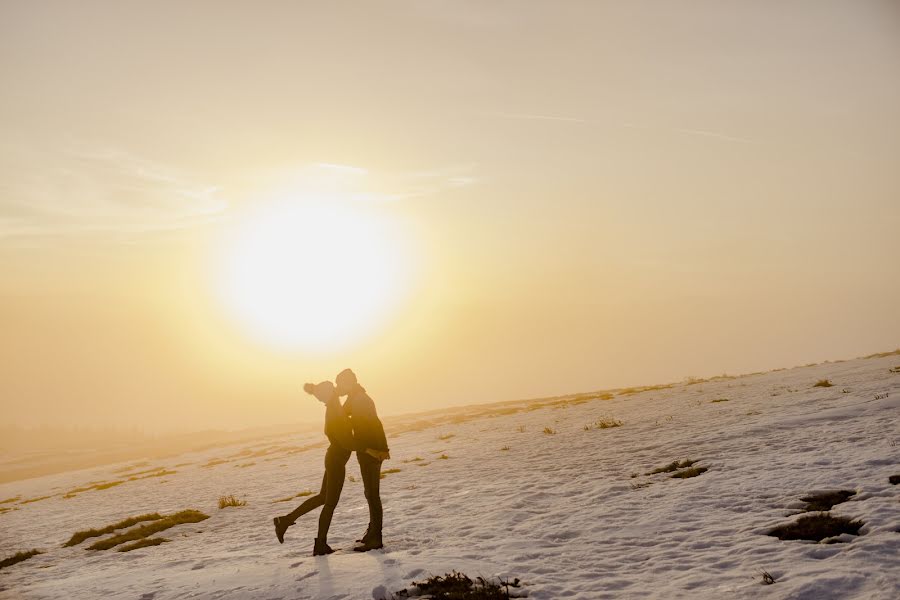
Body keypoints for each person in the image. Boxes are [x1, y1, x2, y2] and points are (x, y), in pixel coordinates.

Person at [272, 380, 376, 555]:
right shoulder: (334, 410)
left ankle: (285, 520)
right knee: (330, 503)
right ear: (331, 393)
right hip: (336, 461)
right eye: (334, 390)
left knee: (322, 498)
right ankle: (320, 544)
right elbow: (347, 442)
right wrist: (368, 448)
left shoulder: (335, 407)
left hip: (333, 459)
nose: (337, 389)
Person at [335, 368, 390, 552]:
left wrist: (376, 450)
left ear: (349, 383)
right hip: (372, 450)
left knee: (372, 494)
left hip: (370, 452)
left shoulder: (359, 400)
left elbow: (370, 427)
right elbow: (342, 414)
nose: (337, 387)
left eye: (339, 383)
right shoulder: (356, 396)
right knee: (370, 493)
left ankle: (376, 538)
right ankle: (372, 532)